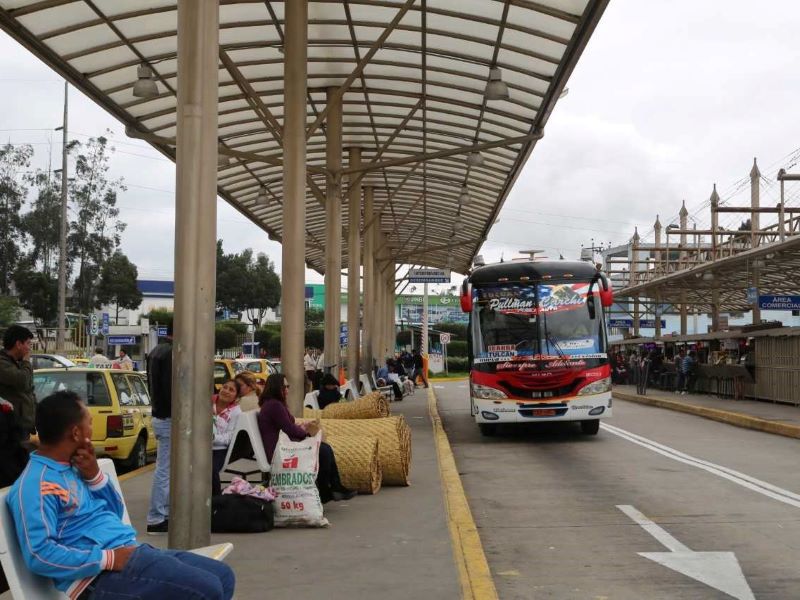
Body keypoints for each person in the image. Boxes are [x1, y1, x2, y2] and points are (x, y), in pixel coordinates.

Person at [6, 390, 235, 599]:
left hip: (130, 553)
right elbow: (40, 554)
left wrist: (95, 477)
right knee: (207, 590)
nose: (92, 429)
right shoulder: (37, 485)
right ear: (76, 433)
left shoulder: (73, 466)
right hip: (98, 578)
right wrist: (109, 559)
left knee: (223, 576)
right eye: (90, 423)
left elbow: (115, 513)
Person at [257, 374, 355, 504]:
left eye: (288, 386)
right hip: (280, 451)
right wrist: (307, 435)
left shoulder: (273, 404)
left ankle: (333, 487)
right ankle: (328, 489)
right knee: (323, 451)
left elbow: (289, 425)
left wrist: (303, 429)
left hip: (284, 446)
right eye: (284, 386)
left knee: (324, 449)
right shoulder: (274, 405)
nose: (287, 389)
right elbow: (289, 428)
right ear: (276, 388)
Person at [146, 324, 172, 534]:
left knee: (166, 469)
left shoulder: (156, 351)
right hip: (170, 417)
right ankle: (156, 517)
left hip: (158, 414)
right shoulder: (172, 353)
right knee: (165, 469)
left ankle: (162, 513)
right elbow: (171, 387)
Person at [0, 325, 35, 443]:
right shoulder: (2, 363)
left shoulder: (16, 363)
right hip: (10, 427)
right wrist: (26, 362)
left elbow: (29, 389)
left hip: (21, 426)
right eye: (28, 344)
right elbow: (22, 381)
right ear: (18, 344)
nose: (29, 348)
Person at [212, 380, 242, 496]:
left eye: (231, 390)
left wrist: (214, 437)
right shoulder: (207, 401)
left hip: (219, 450)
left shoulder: (236, 412)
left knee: (211, 470)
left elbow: (229, 437)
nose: (226, 391)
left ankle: (215, 502)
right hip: (200, 447)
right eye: (225, 387)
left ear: (236, 396)